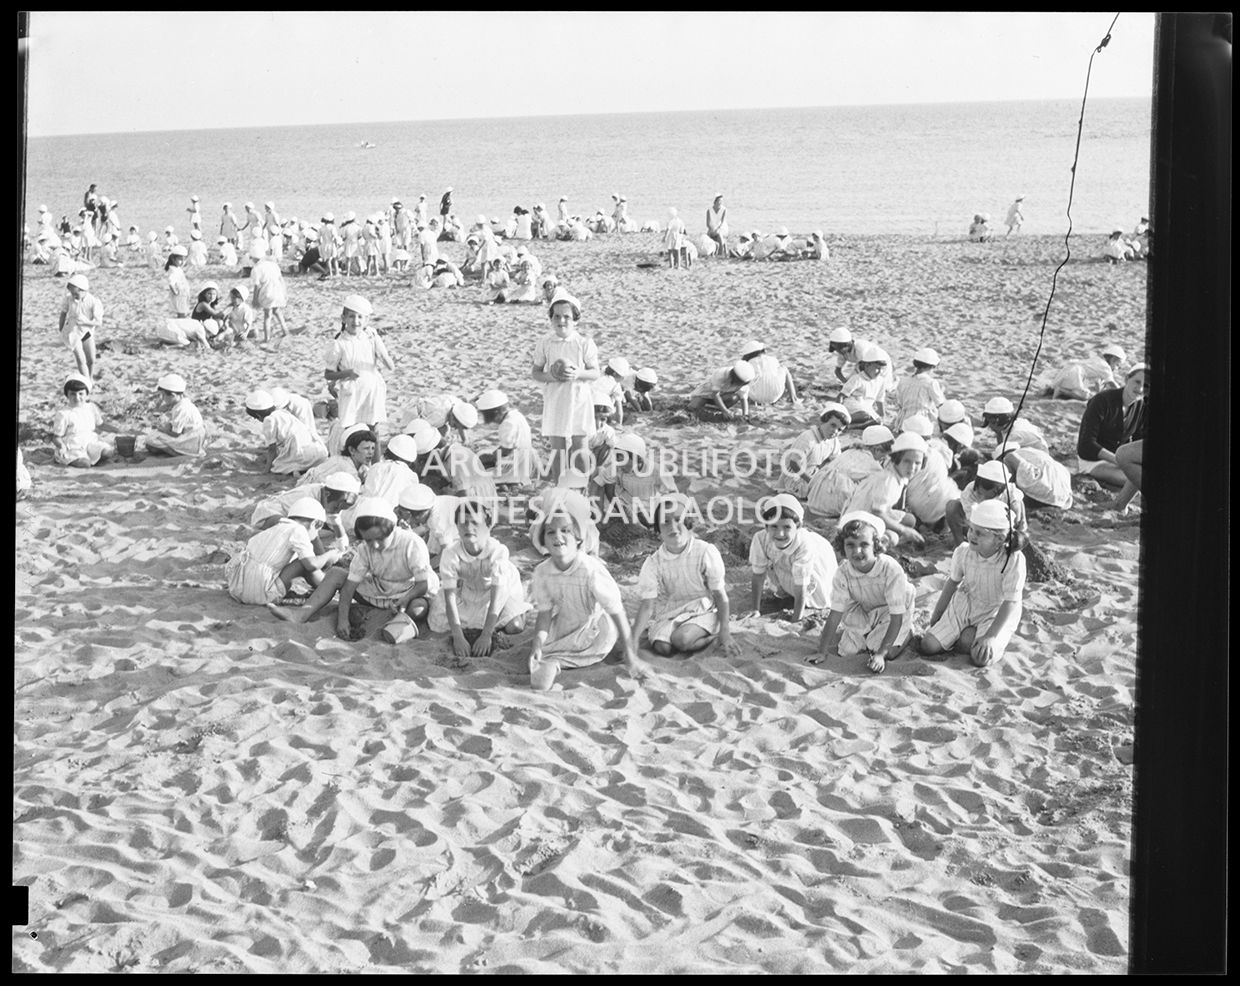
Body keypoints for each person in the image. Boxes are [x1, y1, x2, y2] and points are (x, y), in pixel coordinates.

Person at [269, 497, 438, 645]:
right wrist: (342, 621)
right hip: (378, 590)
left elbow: (422, 584)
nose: (375, 545)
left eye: (380, 539)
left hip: (409, 592)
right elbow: (349, 586)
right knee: (335, 573)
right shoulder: (365, 549)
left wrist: (406, 599)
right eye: (369, 540)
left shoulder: (412, 543)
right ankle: (302, 614)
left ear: (391, 529)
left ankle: (396, 624)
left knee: (419, 608)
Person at [527, 491, 645, 691]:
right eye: (550, 532)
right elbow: (545, 615)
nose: (558, 537)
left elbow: (616, 611)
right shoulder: (542, 571)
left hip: (595, 628)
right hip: (563, 626)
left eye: (566, 531)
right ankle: (555, 660)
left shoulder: (589, 569)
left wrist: (630, 655)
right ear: (543, 541)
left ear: (579, 539)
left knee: (606, 640)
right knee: (538, 679)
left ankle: (617, 647)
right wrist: (537, 644)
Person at [918, 499, 1027, 667]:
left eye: (980, 533)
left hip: (995, 611)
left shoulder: (1013, 560)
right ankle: (966, 636)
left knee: (981, 657)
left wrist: (990, 636)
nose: (972, 536)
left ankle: (977, 638)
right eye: (971, 530)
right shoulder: (963, 551)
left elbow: (1011, 601)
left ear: (999, 539)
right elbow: (952, 583)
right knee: (928, 645)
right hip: (967, 602)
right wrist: (937, 614)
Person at [631, 494, 739, 659]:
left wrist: (725, 631)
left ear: (688, 523)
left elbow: (719, 594)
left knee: (681, 640)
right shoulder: (654, 562)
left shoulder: (704, 551)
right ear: (658, 529)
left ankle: (713, 637)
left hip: (702, 610)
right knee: (662, 647)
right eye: (665, 522)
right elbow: (647, 605)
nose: (672, 526)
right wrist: (632, 640)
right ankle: (681, 635)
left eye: (678, 519)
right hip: (672, 611)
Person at [809, 511, 916, 674]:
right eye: (850, 545)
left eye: (864, 544)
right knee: (848, 651)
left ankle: (907, 633)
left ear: (876, 545)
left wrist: (880, 655)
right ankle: (868, 631)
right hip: (864, 608)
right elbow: (835, 614)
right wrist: (822, 651)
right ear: (842, 546)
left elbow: (896, 616)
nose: (857, 551)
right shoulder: (843, 572)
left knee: (882, 650)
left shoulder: (890, 569)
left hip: (892, 610)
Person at [428, 498, 532, 657]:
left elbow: (497, 596)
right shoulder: (451, 554)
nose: (469, 528)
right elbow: (450, 597)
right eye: (463, 523)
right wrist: (458, 638)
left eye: (475, 523)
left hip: (498, 589)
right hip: (468, 589)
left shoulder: (497, 551)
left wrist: (486, 635)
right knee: (440, 621)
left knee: (514, 627)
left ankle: (521, 606)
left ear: (487, 526)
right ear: (456, 526)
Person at [531, 288, 600, 479]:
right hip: (555, 398)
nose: (561, 321)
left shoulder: (583, 343)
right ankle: (560, 487)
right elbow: (536, 373)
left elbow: (595, 373)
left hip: (579, 399)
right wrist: (552, 377)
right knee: (558, 449)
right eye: (556, 316)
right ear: (551, 318)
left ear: (575, 319)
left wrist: (578, 373)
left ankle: (583, 486)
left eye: (567, 317)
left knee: (580, 447)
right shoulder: (545, 342)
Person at [226, 499, 342, 606]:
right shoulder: (299, 530)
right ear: (315, 524)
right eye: (317, 531)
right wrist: (329, 555)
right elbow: (311, 565)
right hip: (262, 594)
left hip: (238, 588)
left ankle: (327, 586)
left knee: (302, 560)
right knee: (303, 563)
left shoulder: (279, 527)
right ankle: (329, 588)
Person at [746, 493, 838, 621]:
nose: (780, 533)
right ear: (766, 526)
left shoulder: (804, 545)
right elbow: (758, 575)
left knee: (809, 593)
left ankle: (804, 605)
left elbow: (802, 584)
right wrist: (755, 609)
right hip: (789, 567)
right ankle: (788, 590)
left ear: (798, 526)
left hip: (813, 570)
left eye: (787, 527)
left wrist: (796, 619)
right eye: (774, 526)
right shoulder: (761, 539)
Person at [324, 295, 394, 452]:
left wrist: (383, 354)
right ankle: (352, 464)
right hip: (352, 392)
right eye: (351, 316)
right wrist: (346, 373)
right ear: (344, 318)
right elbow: (328, 374)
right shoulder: (339, 344)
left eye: (360, 317)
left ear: (366, 320)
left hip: (371, 389)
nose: (356, 321)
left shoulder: (370, 337)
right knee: (352, 431)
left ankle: (374, 464)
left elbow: (389, 364)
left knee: (373, 430)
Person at [1076, 363, 1148, 511]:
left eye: (1146, 385)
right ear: (1127, 379)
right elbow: (1085, 445)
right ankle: (1120, 504)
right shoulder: (1101, 401)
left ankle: (1121, 503)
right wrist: (1119, 460)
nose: (1140, 389)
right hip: (1094, 460)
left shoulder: (1141, 406)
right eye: (1137, 382)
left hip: (1119, 459)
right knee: (1136, 479)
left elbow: (1138, 440)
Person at [842, 431, 928, 546]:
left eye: (917, 463)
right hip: (857, 523)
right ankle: (871, 546)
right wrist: (903, 530)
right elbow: (877, 513)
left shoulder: (899, 476)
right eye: (907, 461)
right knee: (893, 538)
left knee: (909, 520)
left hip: (869, 515)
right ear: (896, 459)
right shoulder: (888, 480)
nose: (912, 467)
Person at [805, 424, 893, 519]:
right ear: (876, 450)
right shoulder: (873, 465)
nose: (883, 459)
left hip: (815, 498)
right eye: (883, 456)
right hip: (832, 503)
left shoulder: (851, 451)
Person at [251, 471, 360, 539]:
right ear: (326, 494)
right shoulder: (308, 498)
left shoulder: (331, 499)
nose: (337, 511)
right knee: (299, 530)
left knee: (326, 532)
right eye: (337, 507)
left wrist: (341, 539)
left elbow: (336, 523)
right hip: (270, 515)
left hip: (296, 517)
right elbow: (306, 532)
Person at [598, 432, 677, 526]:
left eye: (621, 458)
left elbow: (674, 494)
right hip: (627, 502)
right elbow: (608, 491)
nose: (617, 462)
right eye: (616, 457)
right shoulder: (616, 468)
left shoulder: (657, 471)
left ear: (638, 459)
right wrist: (622, 511)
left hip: (649, 505)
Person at [944, 459, 1028, 546]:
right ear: (978, 484)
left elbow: (1017, 518)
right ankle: (960, 545)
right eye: (980, 493)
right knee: (952, 506)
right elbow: (972, 520)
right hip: (977, 526)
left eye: (988, 496)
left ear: (997, 491)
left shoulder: (1010, 492)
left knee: (1018, 504)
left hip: (1002, 530)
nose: (983, 498)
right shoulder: (970, 491)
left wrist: (1012, 528)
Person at [775, 403, 850, 499]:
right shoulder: (808, 438)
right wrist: (812, 481)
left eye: (839, 429)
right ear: (822, 421)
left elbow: (836, 459)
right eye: (832, 425)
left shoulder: (833, 441)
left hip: (813, 473)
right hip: (795, 478)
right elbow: (794, 463)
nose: (835, 431)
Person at [244, 389, 328, 475]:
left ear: (258, 415)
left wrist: (266, 470)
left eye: (256, 418)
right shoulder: (283, 412)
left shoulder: (268, 420)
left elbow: (272, 449)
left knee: (278, 466)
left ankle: (298, 470)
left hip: (302, 454)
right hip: (319, 452)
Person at [52, 374, 114, 467]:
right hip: (73, 446)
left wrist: (117, 430)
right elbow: (56, 437)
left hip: (90, 442)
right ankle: (70, 459)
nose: (77, 398)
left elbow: (101, 425)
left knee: (108, 452)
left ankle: (93, 457)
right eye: (72, 394)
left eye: (81, 394)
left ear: (86, 394)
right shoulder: (63, 414)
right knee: (85, 464)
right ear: (67, 395)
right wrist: (61, 446)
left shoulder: (91, 407)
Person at [475, 390, 534, 486]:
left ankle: (506, 482)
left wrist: (491, 456)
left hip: (512, 466)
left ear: (495, 412)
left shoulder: (507, 424)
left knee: (477, 474)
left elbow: (506, 451)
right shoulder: (517, 415)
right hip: (525, 462)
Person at [143, 373, 207, 458]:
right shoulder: (183, 402)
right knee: (153, 437)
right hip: (193, 435)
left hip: (191, 439)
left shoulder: (181, 408)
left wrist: (162, 430)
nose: (162, 398)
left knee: (151, 439)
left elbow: (176, 434)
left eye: (163, 395)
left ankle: (180, 454)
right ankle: (177, 449)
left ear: (173, 395)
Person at [996, 443, 1073, 510]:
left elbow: (1011, 457)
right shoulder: (1030, 451)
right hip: (1063, 496)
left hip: (1042, 488)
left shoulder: (1012, 455)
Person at [298, 426, 377, 488]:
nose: (371, 453)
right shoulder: (346, 468)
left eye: (373, 448)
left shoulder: (342, 460)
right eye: (366, 448)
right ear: (352, 450)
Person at [58, 273, 102, 382]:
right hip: (72, 332)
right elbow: (63, 313)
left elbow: (98, 322)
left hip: (87, 331)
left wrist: (86, 321)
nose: (74, 296)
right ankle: (86, 382)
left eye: (76, 294)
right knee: (80, 359)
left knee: (91, 359)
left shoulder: (93, 301)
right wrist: (61, 328)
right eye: (72, 294)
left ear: (83, 290)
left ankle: (90, 378)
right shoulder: (69, 299)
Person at [360, 433, 425, 508]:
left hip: (367, 510)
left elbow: (366, 492)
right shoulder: (412, 476)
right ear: (410, 461)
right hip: (391, 516)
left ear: (388, 452)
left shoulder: (376, 467)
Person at [892, 347, 946, 432]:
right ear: (932, 366)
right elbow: (940, 404)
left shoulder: (903, 381)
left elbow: (900, 403)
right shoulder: (931, 383)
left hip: (904, 421)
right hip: (922, 422)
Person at [839, 343, 892, 427]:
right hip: (853, 406)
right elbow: (842, 395)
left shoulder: (881, 380)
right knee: (865, 415)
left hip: (867, 407)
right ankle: (843, 421)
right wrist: (837, 411)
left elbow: (879, 399)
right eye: (877, 368)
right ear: (867, 366)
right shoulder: (857, 378)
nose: (879, 372)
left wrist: (881, 414)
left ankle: (853, 426)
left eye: (881, 369)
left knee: (877, 421)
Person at [249, 242, 290, 341]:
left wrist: (255, 299)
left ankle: (267, 338)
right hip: (278, 290)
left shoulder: (256, 269)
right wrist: (285, 293)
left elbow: (257, 286)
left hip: (268, 292)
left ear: (254, 258)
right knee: (277, 311)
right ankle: (285, 331)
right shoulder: (273, 265)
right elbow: (281, 280)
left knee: (267, 315)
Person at [687, 360, 754, 421]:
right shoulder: (721, 374)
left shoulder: (744, 381)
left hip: (723, 395)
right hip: (706, 394)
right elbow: (715, 394)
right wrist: (725, 411)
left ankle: (717, 409)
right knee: (693, 407)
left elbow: (743, 399)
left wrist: (745, 415)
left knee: (734, 398)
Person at [739, 339, 799, 406]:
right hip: (776, 394)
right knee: (784, 368)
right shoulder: (773, 359)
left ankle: (752, 402)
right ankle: (794, 398)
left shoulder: (749, 363)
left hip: (756, 397)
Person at [980, 397, 1048, 456]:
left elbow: (1001, 456)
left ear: (1000, 420)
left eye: (991, 421)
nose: (989, 426)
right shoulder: (1015, 423)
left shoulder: (1015, 435)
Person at [191, 282, 233, 349]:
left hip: (204, 326)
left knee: (220, 322)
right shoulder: (203, 304)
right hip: (197, 327)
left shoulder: (211, 305)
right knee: (219, 322)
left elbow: (217, 317)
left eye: (214, 294)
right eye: (209, 294)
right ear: (204, 294)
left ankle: (214, 338)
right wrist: (229, 307)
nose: (212, 296)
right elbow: (217, 315)